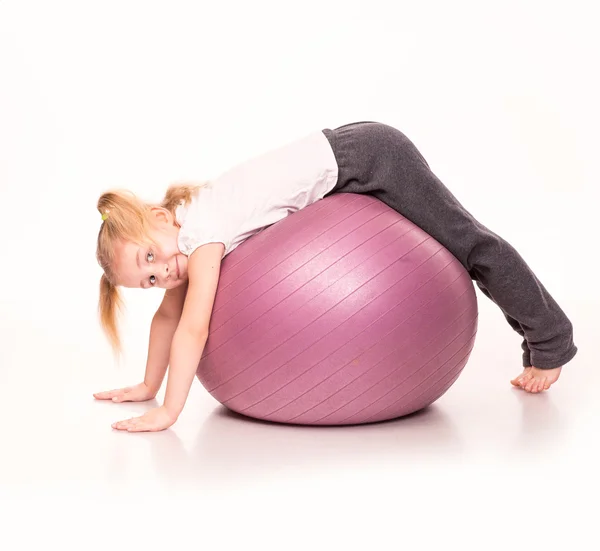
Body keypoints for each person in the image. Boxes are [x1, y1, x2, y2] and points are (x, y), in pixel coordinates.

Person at [93, 121, 578, 432]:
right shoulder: (190, 234)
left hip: (369, 156)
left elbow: (192, 326)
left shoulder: (202, 233)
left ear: (159, 217)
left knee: (468, 246)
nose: (163, 272)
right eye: (150, 280)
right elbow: (167, 319)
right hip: (350, 152)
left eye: (151, 257)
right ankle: (547, 338)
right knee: (464, 241)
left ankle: (550, 341)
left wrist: (169, 412)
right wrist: (146, 385)